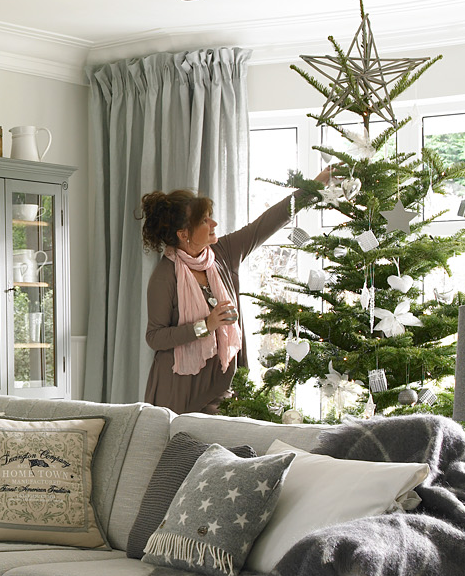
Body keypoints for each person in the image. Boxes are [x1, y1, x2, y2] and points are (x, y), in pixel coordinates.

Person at [139, 167, 333, 414]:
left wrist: (314, 187)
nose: (214, 223)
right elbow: (155, 337)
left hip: (222, 387)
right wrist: (205, 325)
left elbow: (268, 222)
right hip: (178, 392)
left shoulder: (224, 253)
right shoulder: (165, 276)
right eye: (204, 220)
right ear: (183, 234)